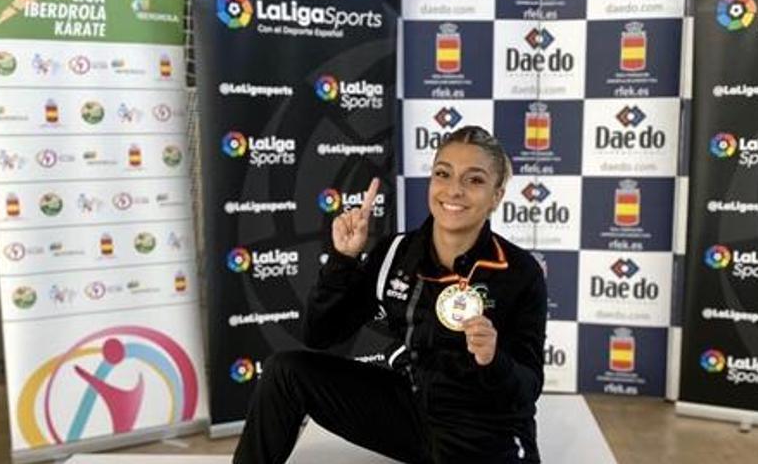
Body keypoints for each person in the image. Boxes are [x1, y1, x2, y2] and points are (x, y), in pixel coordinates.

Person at [233, 126, 547, 463]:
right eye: (443, 174)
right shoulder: (396, 252)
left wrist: (493, 358)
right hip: (411, 409)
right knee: (285, 372)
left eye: (474, 180)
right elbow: (320, 334)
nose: (453, 190)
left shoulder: (519, 271)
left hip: (484, 426)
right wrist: (343, 260)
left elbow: (527, 389)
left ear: (497, 196)